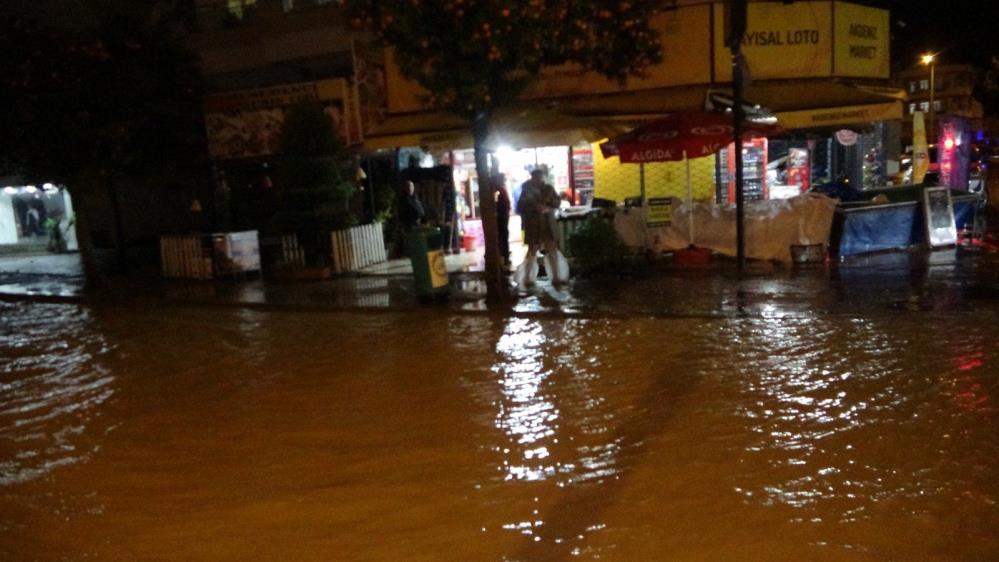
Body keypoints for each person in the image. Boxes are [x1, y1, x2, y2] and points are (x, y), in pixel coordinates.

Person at [516, 168, 563, 284]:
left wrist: (549, 206)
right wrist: (534, 208)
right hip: (533, 223)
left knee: (551, 248)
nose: (539, 179)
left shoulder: (548, 189)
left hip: (547, 223)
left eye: (540, 176)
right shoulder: (527, 190)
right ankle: (527, 277)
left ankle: (555, 276)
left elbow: (557, 202)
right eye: (537, 177)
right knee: (532, 250)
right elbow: (520, 207)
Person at [493, 175, 511, 268]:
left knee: (502, 238)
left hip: (501, 219)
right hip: (501, 219)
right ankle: (504, 256)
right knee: (503, 238)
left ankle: (504, 256)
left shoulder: (499, 190)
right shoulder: (499, 190)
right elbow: (505, 206)